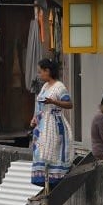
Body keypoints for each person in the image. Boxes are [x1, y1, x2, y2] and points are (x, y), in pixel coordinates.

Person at [30, 58, 73, 187]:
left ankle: (54, 180)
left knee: (52, 153)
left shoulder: (59, 87)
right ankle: (45, 183)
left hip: (53, 124)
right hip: (42, 125)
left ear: (47, 71)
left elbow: (69, 104)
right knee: (40, 152)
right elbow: (39, 105)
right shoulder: (45, 86)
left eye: (40, 72)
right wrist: (34, 119)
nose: (39, 75)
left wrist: (53, 102)